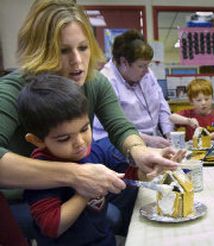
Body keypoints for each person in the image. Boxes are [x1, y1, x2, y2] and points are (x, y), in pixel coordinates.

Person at [0, 0, 183, 241]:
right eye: (63, 51)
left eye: (83, 48)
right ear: (40, 52)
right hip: (26, 195)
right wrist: (76, 175)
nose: (77, 62)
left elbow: (119, 127)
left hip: (77, 189)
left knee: (129, 190)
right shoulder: (13, 90)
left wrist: (140, 153)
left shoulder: (94, 82)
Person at [17, 74, 125, 245]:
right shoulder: (40, 173)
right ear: (37, 140)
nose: (80, 143)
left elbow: (125, 165)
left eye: (84, 129)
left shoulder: (90, 149)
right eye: (64, 139)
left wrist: (143, 164)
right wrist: (85, 192)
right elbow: (52, 226)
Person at [92, 29, 173, 148]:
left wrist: (168, 134)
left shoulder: (147, 74)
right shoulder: (107, 81)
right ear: (124, 62)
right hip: (121, 145)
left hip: (154, 139)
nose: (146, 71)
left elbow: (162, 105)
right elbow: (111, 129)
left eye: (147, 65)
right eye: (141, 66)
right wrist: (148, 141)